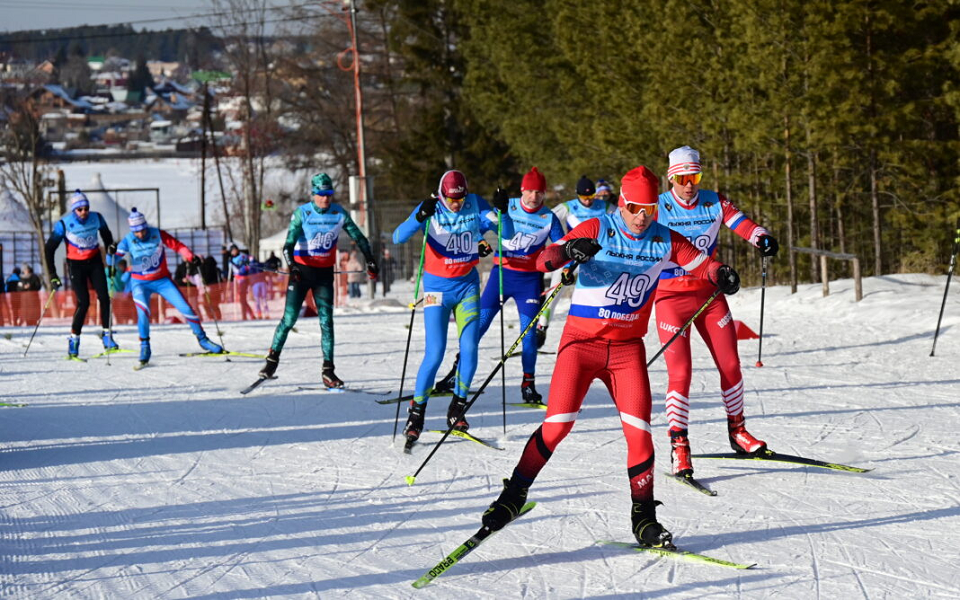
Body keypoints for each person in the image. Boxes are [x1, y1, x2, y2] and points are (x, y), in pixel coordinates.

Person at [479, 165, 742, 549]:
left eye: (649, 209)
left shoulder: (665, 239)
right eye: (634, 208)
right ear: (622, 203)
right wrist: (568, 251)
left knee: (640, 434)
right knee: (557, 426)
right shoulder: (598, 227)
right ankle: (513, 495)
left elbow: (703, 265)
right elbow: (542, 260)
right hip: (581, 346)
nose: (641, 217)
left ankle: (644, 518)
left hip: (626, 351)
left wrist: (721, 273)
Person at [654, 145, 780, 478]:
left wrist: (762, 238)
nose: (689, 185)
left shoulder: (714, 202)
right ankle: (679, 444)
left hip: (709, 294)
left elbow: (744, 225)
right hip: (670, 296)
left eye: (694, 177)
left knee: (731, 364)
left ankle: (738, 431)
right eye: (682, 178)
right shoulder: (658, 207)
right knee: (681, 372)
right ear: (671, 179)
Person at [392, 170, 511, 444]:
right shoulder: (432, 208)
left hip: (467, 287)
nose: (456, 204)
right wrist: (419, 217)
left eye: (460, 199)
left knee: (469, 348)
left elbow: (507, 234)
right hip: (437, 291)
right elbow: (398, 237)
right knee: (435, 353)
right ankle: (416, 413)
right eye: (451, 199)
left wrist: (503, 212)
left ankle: (458, 407)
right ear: (441, 194)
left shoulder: (475, 204)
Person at [433, 166, 564, 405]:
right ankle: (455, 373)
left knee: (528, 336)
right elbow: (476, 227)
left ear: (544, 194)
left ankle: (528, 385)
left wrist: (565, 267)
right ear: (522, 190)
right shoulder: (508, 205)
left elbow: (561, 247)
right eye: (530, 191)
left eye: (539, 192)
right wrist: (480, 241)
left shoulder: (549, 217)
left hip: (529, 282)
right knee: (478, 327)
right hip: (501, 276)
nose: (534, 196)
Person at [257, 172, 378, 388]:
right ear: (313, 194)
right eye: (321, 194)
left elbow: (359, 237)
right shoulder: (302, 213)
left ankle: (328, 371)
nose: (325, 198)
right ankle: (271, 362)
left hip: (323, 274)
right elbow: (288, 245)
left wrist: (370, 259)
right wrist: (293, 267)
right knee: (289, 319)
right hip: (302, 273)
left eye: (329, 193)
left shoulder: (338, 213)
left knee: (326, 322)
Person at [113, 208, 223, 366]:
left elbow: (177, 246)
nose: (141, 234)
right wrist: (111, 253)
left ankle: (203, 339)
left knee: (186, 308)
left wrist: (190, 256)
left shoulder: (157, 234)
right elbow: (113, 261)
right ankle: (145, 346)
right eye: (136, 231)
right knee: (143, 313)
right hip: (140, 283)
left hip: (162, 281)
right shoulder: (128, 239)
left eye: (142, 229)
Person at [536, 176, 616, 348]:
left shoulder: (605, 206)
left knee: (604, 294)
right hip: (571, 258)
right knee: (555, 292)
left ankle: (604, 331)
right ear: (577, 195)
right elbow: (546, 217)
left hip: (596, 259)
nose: (587, 201)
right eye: (584, 197)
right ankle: (542, 327)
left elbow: (623, 220)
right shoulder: (568, 207)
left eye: (591, 196)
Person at [44, 190, 118, 358]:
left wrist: (110, 247)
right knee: (83, 302)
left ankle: (107, 336)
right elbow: (49, 249)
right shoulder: (64, 224)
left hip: (95, 262)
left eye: (86, 208)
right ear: (74, 210)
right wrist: (53, 274)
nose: (84, 212)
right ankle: (74, 339)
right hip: (76, 265)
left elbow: (107, 236)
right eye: (80, 209)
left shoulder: (96, 218)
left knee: (105, 298)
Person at [229, 244, 256, 320]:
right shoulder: (232, 259)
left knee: (242, 299)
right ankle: (249, 314)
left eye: (234, 250)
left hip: (243, 280)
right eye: (232, 251)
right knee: (241, 300)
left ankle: (245, 315)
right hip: (236, 280)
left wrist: (235, 265)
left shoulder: (242, 256)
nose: (233, 252)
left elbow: (244, 268)